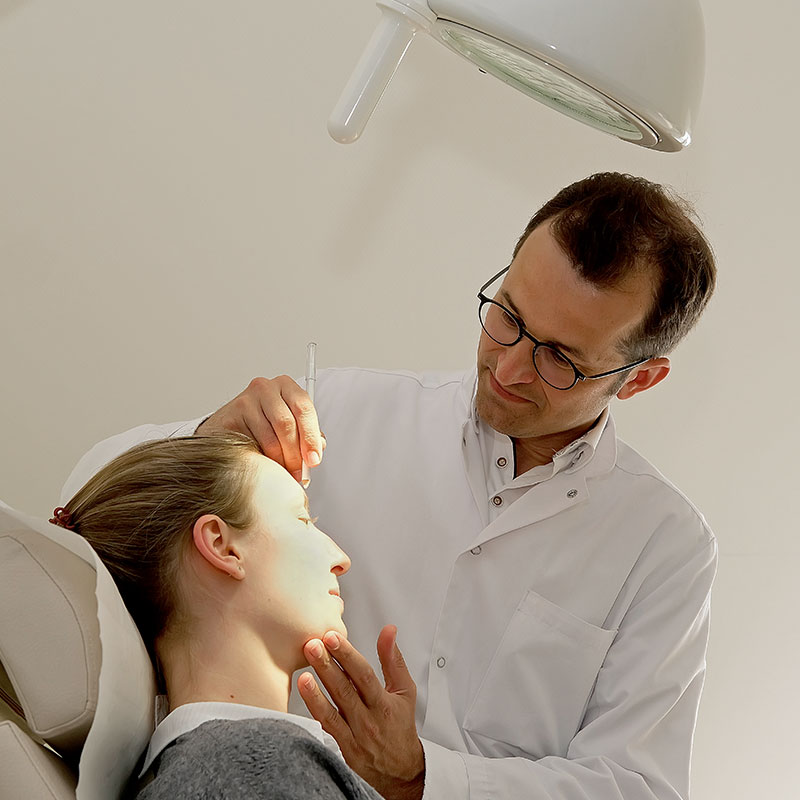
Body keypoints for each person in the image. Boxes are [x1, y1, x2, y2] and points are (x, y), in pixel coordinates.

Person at [63, 172, 718, 800]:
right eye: (507, 316)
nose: (509, 366)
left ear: (639, 380)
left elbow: (637, 790)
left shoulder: (662, 546)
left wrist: (425, 778)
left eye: (559, 359)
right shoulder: (342, 411)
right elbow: (85, 508)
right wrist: (210, 433)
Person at [54, 433, 388, 800]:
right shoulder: (258, 766)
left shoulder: (212, 767)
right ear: (221, 545)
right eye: (303, 518)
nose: (340, 558)